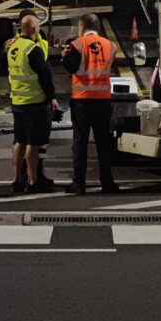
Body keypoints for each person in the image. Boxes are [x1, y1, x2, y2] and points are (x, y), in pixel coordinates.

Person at [61, 13, 119, 195]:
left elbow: (71, 67)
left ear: (82, 26)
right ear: (98, 27)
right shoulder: (111, 46)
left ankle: (79, 184)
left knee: (80, 143)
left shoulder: (77, 45)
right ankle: (107, 182)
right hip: (103, 100)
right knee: (104, 143)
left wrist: (64, 56)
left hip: (82, 100)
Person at [2, 12, 59, 193]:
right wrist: (51, 97)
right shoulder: (32, 49)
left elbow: (0, 67)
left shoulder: (13, 46)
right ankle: (33, 182)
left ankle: (17, 179)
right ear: (34, 28)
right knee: (33, 144)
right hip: (34, 102)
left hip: (17, 101)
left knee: (19, 140)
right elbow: (44, 76)